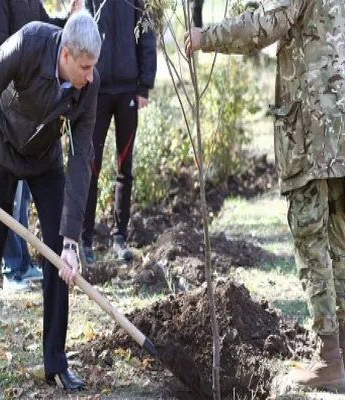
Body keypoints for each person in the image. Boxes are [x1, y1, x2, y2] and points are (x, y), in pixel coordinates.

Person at [184, 0, 345, 393]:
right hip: (339, 122)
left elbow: (267, 24)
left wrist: (206, 37)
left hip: (313, 129)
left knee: (311, 240)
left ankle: (329, 356)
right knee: (340, 240)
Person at [0, 11, 101, 391]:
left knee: (57, 256)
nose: (90, 76)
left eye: (93, 68)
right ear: (66, 55)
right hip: (3, 151)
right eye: (85, 67)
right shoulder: (27, 43)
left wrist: (72, 240)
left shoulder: (88, 83)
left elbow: (82, 156)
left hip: (44, 160)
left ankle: (55, 361)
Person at [0, 0, 79, 293]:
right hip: (11, 113)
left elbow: (47, 26)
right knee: (9, 203)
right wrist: (23, 76)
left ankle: (21, 263)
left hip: (33, 112)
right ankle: (12, 269)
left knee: (21, 200)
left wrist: (68, 20)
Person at [81, 0, 157, 264]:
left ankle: (119, 238)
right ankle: (84, 240)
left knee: (125, 166)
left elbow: (146, 31)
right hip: (97, 90)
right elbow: (82, 29)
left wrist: (144, 85)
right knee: (91, 165)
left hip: (128, 90)